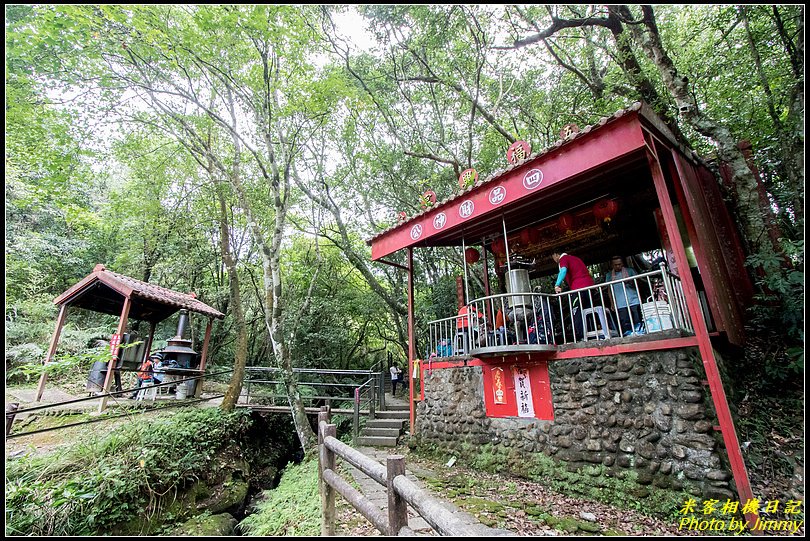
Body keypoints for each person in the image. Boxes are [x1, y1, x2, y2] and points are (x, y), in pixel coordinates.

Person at [552, 250, 596, 341]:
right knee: (588, 310)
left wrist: (557, 285)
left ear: (556, 255)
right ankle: (592, 333)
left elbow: (563, 270)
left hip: (579, 288)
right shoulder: (575, 258)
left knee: (577, 311)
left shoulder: (563, 259)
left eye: (553, 257)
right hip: (590, 287)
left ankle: (581, 335)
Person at [605, 255, 644, 336]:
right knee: (625, 324)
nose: (618, 266)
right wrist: (612, 303)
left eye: (619, 264)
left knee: (638, 321)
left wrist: (629, 282)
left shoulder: (630, 271)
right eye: (615, 265)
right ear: (612, 265)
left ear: (622, 263)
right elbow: (609, 289)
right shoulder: (609, 275)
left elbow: (638, 284)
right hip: (620, 303)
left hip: (633, 300)